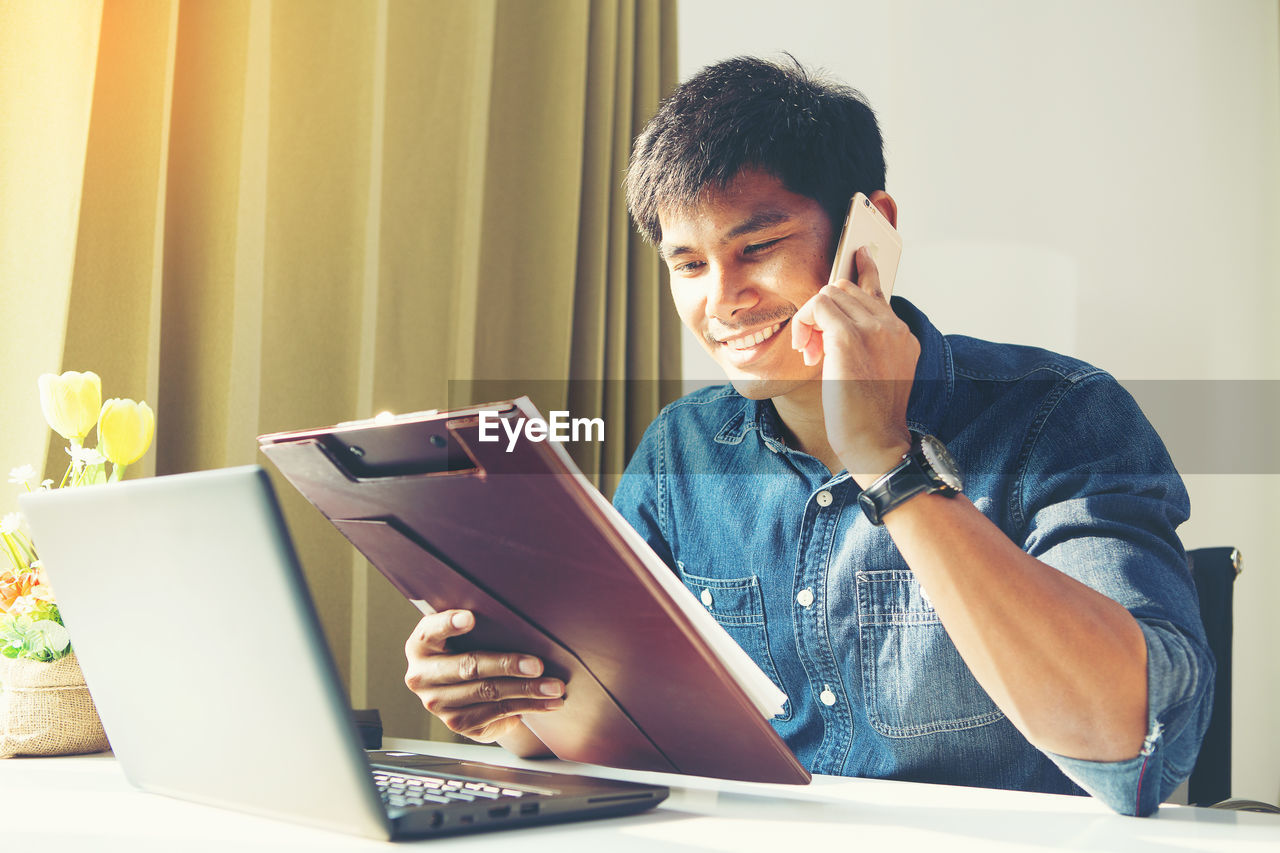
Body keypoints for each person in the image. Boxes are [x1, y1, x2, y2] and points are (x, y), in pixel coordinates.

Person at [403, 55, 1212, 817]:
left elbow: (1133, 745)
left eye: (756, 247)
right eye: (688, 265)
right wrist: (503, 700)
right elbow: (622, 717)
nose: (724, 300)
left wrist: (891, 464)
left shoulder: (1061, 416)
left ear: (870, 234)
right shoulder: (682, 452)